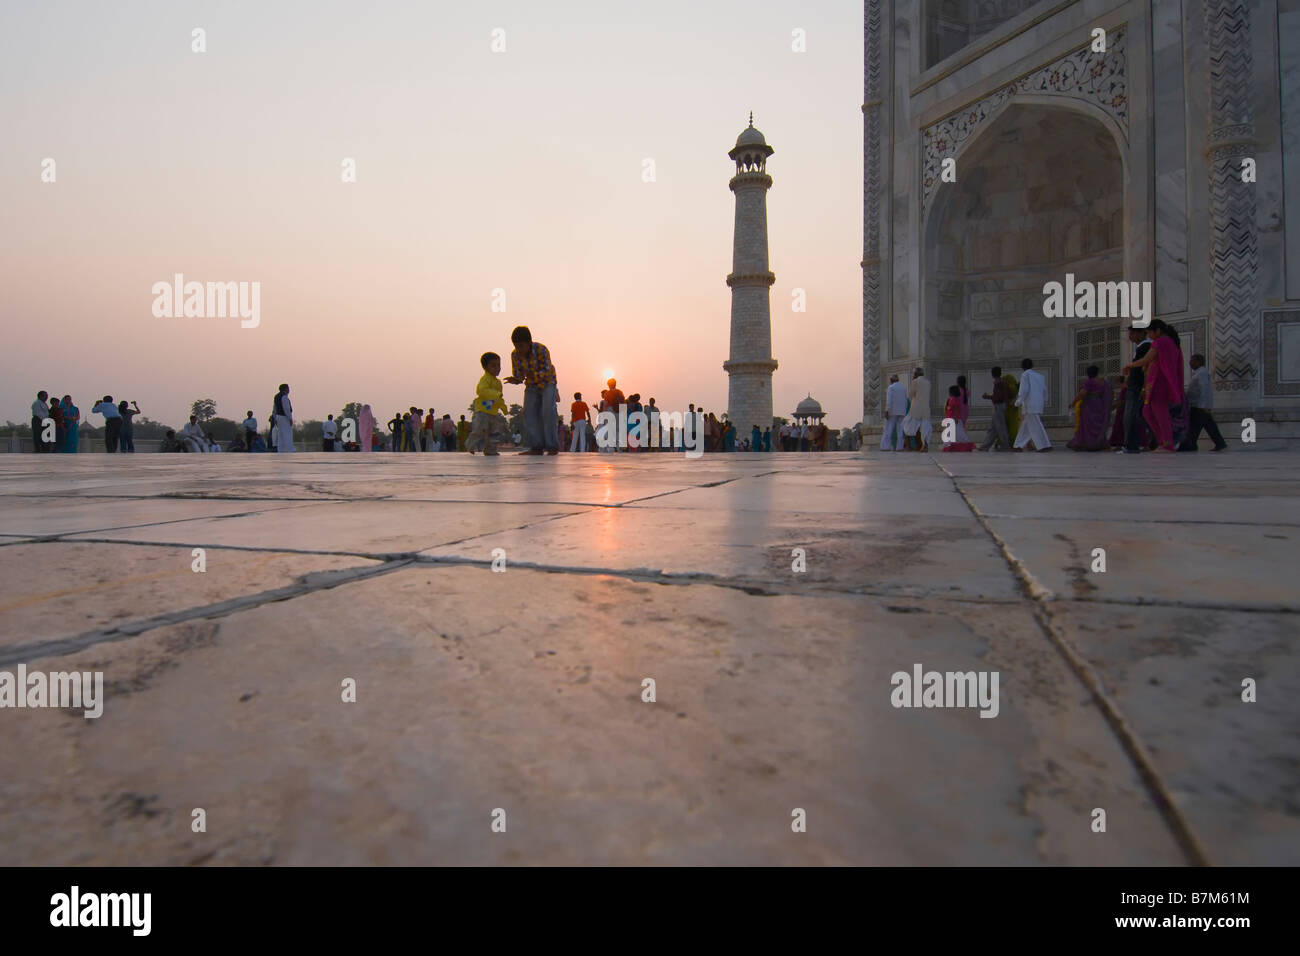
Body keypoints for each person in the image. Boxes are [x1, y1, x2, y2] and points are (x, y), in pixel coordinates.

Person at [1124, 320, 1184, 452]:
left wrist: (1129, 366)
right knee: (1147, 411)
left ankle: (1167, 443)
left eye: (1150, 332)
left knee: (1160, 413)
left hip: (1159, 382)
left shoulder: (1160, 342)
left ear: (1158, 331)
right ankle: (1163, 441)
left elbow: (1147, 359)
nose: (1149, 335)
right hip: (1158, 381)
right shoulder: (1172, 343)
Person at [504, 326, 560, 455]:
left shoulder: (541, 349)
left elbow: (546, 371)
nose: (519, 350)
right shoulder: (515, 355)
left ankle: (552, 447)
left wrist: (530, 374)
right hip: (531, 385)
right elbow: (520, 375)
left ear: (529, 342)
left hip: (547, 383)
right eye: (516, 346)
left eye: (522, 346)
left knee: (548, 411)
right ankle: (537, 446)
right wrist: (515, 379)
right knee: (529, 413)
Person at [1178, 354, 1228, 452]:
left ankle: (1189, 445)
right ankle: (1219, 443)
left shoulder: (1201, 373)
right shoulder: (1199, 373)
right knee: (1208, 425)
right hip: (1199, 405)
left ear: (1198, 362)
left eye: (1192, 361)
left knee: (1194, 427)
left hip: (1199, 406)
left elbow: (1204, 389)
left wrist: (1203, 405)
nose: (1190, 363)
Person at [466, 351, 512, 455]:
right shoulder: (485, 379)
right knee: (480, 430)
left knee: (494, 432)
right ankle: (470, 445)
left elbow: (500, 398)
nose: (497, 368)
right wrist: (495, 394)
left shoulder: (498, 383)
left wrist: (504, 408)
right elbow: (481, 391)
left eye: (498, 365)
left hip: (493, 412)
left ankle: (490, 450)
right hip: (482, 411)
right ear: (485, 367)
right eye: (493, 366)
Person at [1119, 326, 1152, 453]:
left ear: (1141, 333)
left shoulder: (1145, 347)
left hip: (1137, 386)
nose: (1130, 337)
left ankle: (1131, 445)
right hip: (1136, 386)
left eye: (1132, 333)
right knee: (1139, 416)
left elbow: (1145, 368)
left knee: (1131, 416)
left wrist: (1144, 387)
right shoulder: (1142, 347)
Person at [1067, 366, 1112, 451]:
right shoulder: (1103, 382)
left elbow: (1082, 393)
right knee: (1098, 423)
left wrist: (1073, 403)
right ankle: (1099, 443)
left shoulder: (1089, 382)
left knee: (1089, 424)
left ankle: (1089, 443)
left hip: (1090, 404)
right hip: (1099, 403)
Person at [1013, 358, 1051, 451]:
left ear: (1022, 367)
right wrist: (1043, 400)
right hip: (1038, 403)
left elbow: (1024, 390)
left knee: (1036, 425)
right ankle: (1018, 445)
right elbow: (1044, 390)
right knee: (1026, 426)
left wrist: (1018, 402)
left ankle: (1044, 445)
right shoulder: (1040, 376)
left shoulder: (1025, 375)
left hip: (1030, 404)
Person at [978, 367, 1012, 452]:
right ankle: (984, 446)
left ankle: (1006, 446)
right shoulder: (1004, 382)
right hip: (1001, 406)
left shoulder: (998, 383)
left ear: (993, 374)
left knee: (1001, 427)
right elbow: (1008, 394)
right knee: (993, 429)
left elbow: (998, 397)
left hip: (998, 406)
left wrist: (988, 397)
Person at [902, 368, 932, 451]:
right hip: (926, 409)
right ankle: (924, 445)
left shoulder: (915, 382)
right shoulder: (928, 382)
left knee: (906, 425)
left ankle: (908, 446)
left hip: (916, 408)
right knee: (925, 428)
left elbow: (910, 395)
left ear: (916, 374)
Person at [941, 386, 976, 451]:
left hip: (954, 419)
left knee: (958, 433)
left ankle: (954, 445)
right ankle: (951, 445)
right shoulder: (951, 399)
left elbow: (956, 409)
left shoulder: (955, 399)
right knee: (951, 433)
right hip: (950, 419)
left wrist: (956, 418)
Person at [273, 384, 295, 453]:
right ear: (285, 389)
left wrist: (275, 417)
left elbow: (274, 408)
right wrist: (290, 418)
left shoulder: (276, 396)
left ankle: (281, 449)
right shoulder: (284, 397)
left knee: (281, 434)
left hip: (278, 417)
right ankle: (290, 449)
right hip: (284, 417)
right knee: (287, 433)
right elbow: (286, 408)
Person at [1001, 369, 1021, 444]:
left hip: (1010, 408)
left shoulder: (1008, 387)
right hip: (1012, 409)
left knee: (1006, 426)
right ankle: (1012, 442)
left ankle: (1006, 442)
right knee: (1013, 427)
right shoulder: (1014, 387)